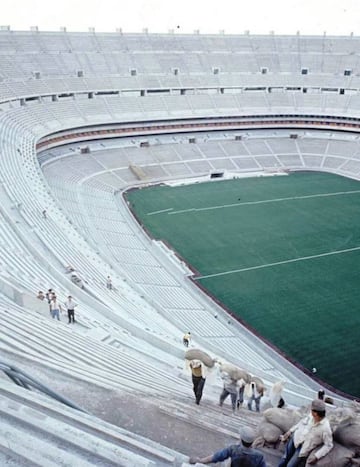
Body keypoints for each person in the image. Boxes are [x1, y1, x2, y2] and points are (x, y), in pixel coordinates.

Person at [278, 399, 333, 467]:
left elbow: (328, 445)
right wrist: (290, 431)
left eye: (312, 410)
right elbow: (301, 423)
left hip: (303, 449)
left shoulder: (325, 428)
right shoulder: (310, 416)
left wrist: (317, 456)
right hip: (295, 439)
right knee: (284, 459)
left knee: (290, 465)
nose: (311, 411)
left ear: (315, 413)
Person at [189, 426, 266, 466]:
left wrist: (200, 460)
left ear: (241, 438)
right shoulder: (259, 456)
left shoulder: (234, 449)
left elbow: (217, 457)